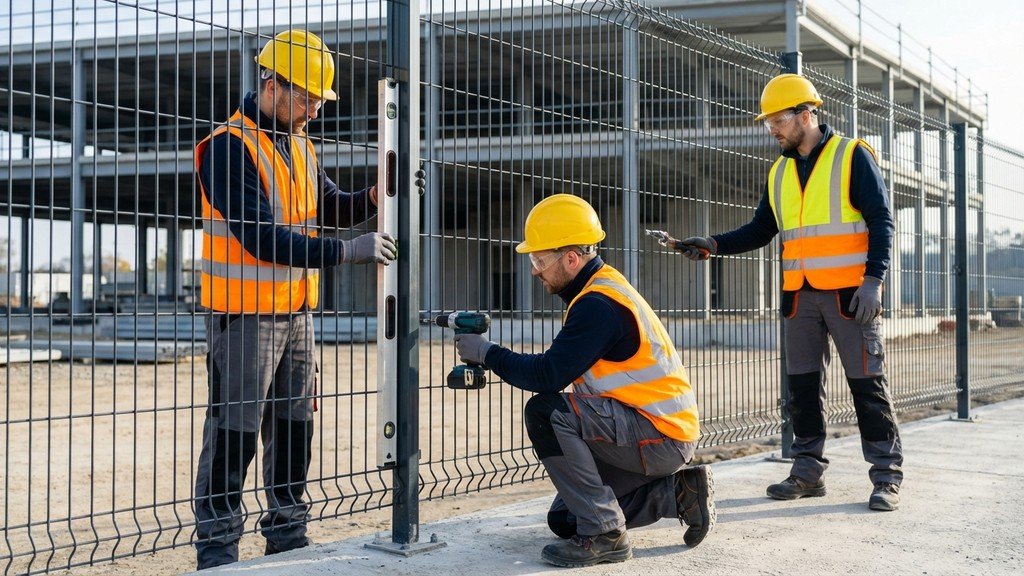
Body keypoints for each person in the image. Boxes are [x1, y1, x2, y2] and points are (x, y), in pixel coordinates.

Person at [192, 29, 399, 569]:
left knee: (293, 429)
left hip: (296, 313)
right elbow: (260, 237)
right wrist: (349, 252)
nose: (312, 109)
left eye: (316, 100)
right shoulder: (227, 148)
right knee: (234, 433)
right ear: (272, 83)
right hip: (243, 315)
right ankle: (218, 549)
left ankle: (287, 537)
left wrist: (373, 199)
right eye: (305, 96)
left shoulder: (300, 144)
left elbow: (327, 206)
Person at [665, 73, 902, 512]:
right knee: (803, 390)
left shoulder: (852, 156)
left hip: (852, 297)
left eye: (778, 119)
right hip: (800, 298)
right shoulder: (779, 171)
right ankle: (807, 471)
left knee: (867, 386)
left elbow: (882, 221)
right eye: (768, 121)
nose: (771, 129)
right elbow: (760, 230)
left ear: (806, 114)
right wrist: (712, 244)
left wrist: (874, 281)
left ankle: (886, 476)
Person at [454, 194, 716, 568]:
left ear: (571, 258)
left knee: (546, 411)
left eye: (539, 260)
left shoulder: (598, 305)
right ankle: (677, 494)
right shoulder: (597, 292)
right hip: (650, 431)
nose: (534, 270)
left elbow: (548, 375)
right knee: (565, 519)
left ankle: (607, 536)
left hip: (658, 435)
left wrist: (487, 353)